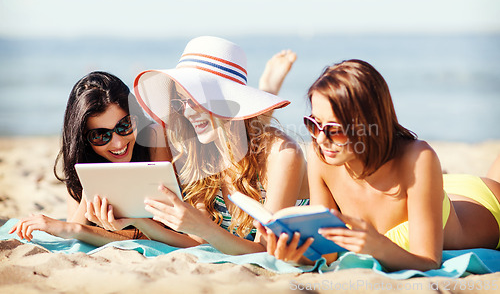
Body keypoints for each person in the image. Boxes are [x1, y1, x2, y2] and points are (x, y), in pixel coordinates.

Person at [258, 59, 500, 271]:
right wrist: (297, 256)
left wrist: (377, 246)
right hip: (432, 189)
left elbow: (429, 261)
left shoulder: (419, 157)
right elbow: (329, 252)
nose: (321, 139)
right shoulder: (321, 157)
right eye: (314, 123)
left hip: (485, 202)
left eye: (335, 130)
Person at [90, 36, 309, 254]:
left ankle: (268, 87)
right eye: (182, 101)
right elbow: (198, 241)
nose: (187, 112)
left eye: (195, 100)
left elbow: (267, 250)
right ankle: (267, 87)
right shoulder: (200, 150)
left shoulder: (281, 153)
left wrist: (204, 228)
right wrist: (137, 221)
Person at [9, 71, 170, 245]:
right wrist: (90, 189)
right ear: (84, 139)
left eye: (125, 126)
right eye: (100, 135)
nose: (117, 143)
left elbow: (160, 233)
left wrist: (78, 230)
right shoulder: (81, 157)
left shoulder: (153, 137)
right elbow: (74, 225)